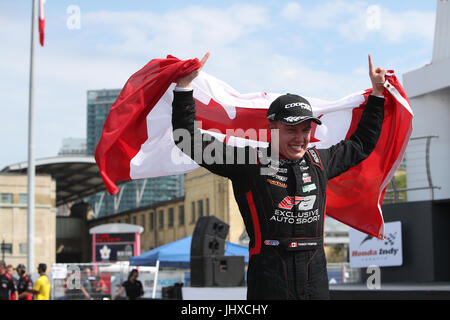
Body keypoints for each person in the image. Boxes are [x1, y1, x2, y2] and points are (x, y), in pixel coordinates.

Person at [171, 53, 386, 299]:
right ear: (272, 128)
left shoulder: (320, 161)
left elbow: (361, 144)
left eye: (306, 130)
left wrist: (377, 96)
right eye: (291, 130)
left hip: (314, 277)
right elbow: (189, 141)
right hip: (269, 278)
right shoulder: (251, 162)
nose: (300, 138)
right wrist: (184, 87)